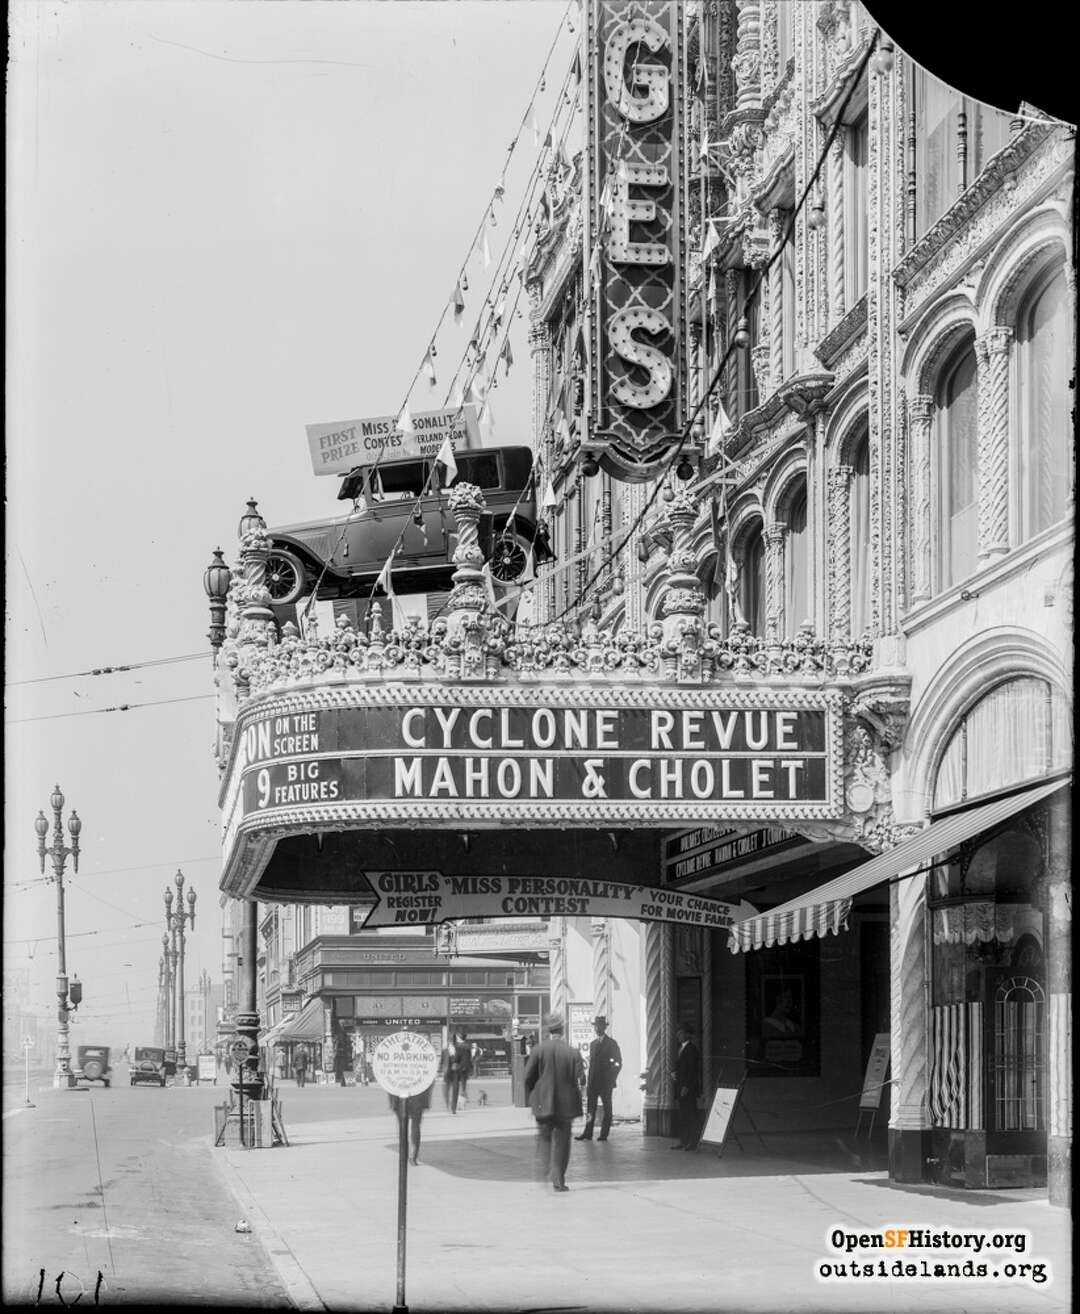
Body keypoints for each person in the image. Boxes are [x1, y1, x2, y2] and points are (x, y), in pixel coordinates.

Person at [524, 1012, 584, 1192]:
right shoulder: (573, 1052)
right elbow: (581, 1078)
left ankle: (543, 1168)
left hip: (543, 1104)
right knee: (563, 1143)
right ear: (562, 1030)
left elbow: (527, 1077)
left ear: (549, 1031)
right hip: (566, 1106)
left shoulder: (539, 1050)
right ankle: (558, 1179)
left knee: (544, 1138)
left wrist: (535, 1094)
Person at [576, 1014, 623, 1142]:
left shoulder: (612, 1044)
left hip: (606, 1083)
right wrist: (587, 1079)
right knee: (590, 1109)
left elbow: (618, 1063)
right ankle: (588, 1132)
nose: (597, 1029)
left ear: (604, 1027)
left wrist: (611, 1079)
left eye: (599, 1026)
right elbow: (592, 1065)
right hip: (593, 1082)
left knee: (608, 1109)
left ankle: (604, 1134)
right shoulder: (593, 1044)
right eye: (595, 1026)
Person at [670, 1023, 702, 1151]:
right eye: (678, 1033)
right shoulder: (681, 1048)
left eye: (681, 1033)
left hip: (687, 1088)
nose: (679, 1035)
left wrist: (686, 1086)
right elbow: (681, 1067)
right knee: (683, 1115)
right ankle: (683, 1141)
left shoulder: (691, 1049)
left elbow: (692, 1071)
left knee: (690, 1115)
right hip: (680, 1086)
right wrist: (674, 1072)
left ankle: (693, 1142)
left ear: (688, 1035)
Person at [390, 1081, 433, 1166]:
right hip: (417, 1090)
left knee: (402, 1125)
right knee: (416, 1123)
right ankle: (413, 1155)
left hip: (399, 1089)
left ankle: (404, 1154)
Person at [440, 1032, 470, 1113]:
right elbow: (442, 1062)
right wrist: (440, 1071)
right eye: (450, 1040)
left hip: (456, 1073)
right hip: (447, 1073)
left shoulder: (460, 1050)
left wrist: (458, 1066)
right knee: (446, 1091)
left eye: (453, 1040)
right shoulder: (445, 1051)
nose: (451, 1041)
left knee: (455, 1091)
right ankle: (447, 1105)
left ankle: (453, 1108)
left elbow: (463, 1061)